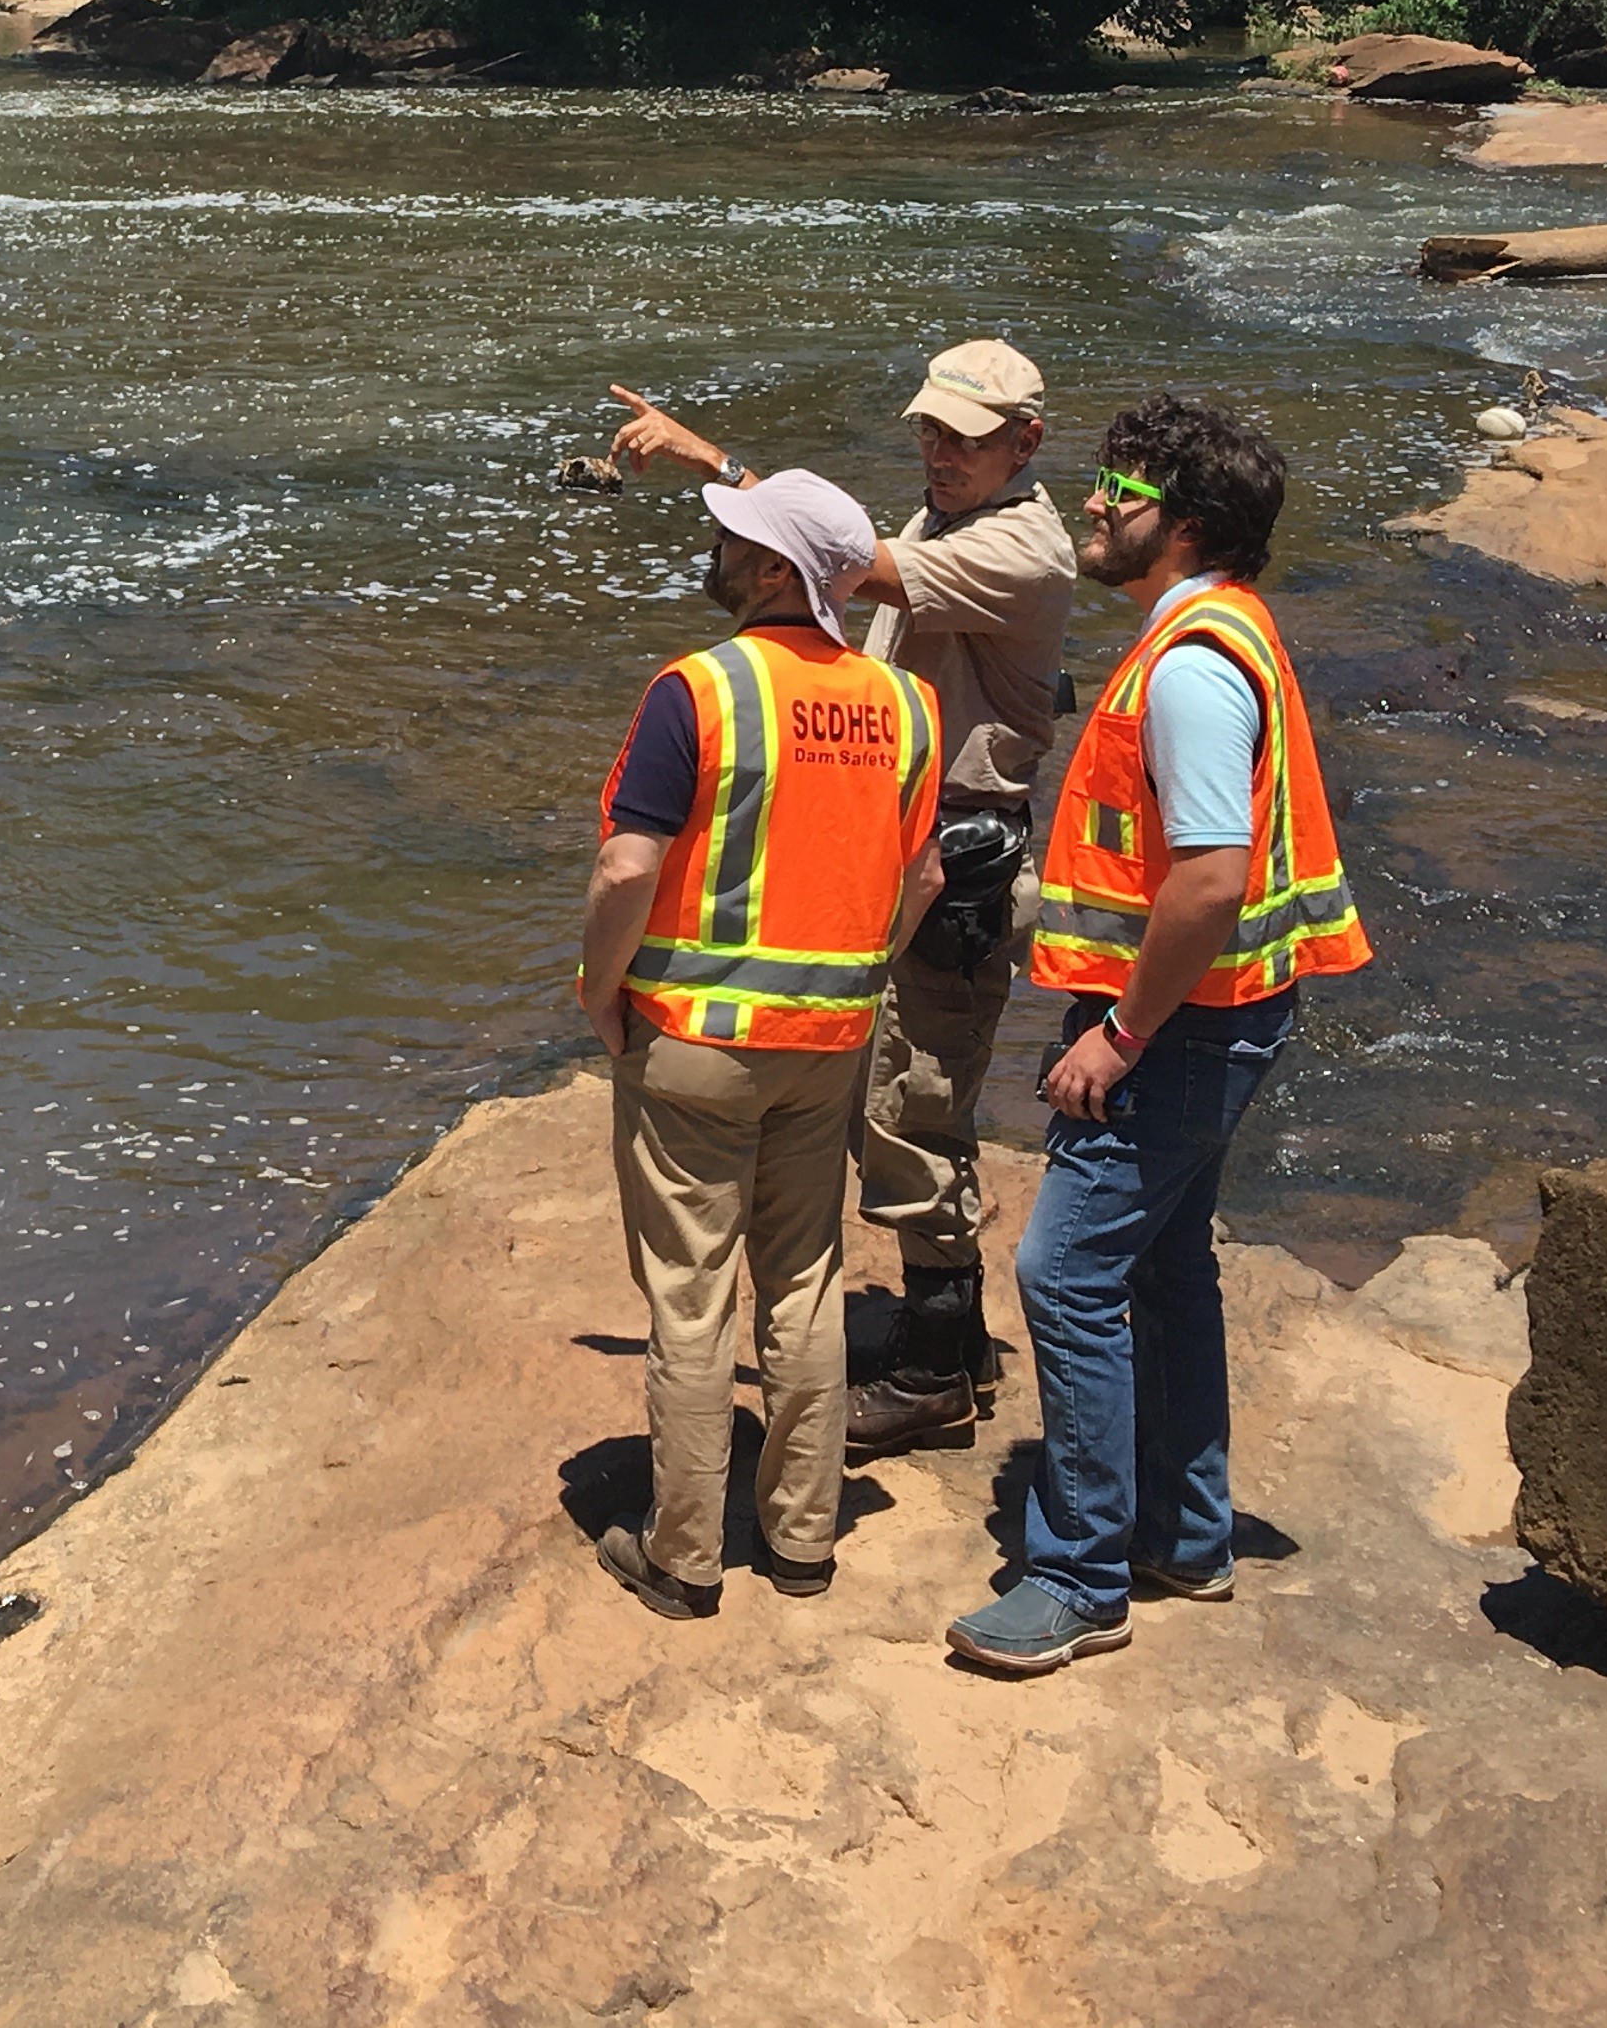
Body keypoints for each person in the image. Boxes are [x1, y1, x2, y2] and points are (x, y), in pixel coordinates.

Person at [942, 392, 1372, 1680]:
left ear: (1178, 525)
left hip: (1178, 1027)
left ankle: (1079, 1576)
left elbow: (1208, 879)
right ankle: (1184, 1535)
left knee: (1065, 1275)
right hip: (1223, 1017)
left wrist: (1117, 1038)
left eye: (1117, 492)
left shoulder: (1187, 670)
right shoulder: (1218, 631)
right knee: (1167, 1266)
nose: (1088, 503)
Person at [606, 345, 1077, 1453]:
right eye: (930, 428)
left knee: (912, 1101)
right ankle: (948, 1347)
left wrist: (714, 461)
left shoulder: (1021, 543)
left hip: (954, 861)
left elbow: (840, 569)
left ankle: (932, 1371)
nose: (940, 450)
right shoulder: (946, 521)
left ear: (1024, 443)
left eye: (966, 437)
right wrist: (719, 465)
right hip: (910, 842)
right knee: (890, 1089)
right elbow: (831, 552)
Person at [575, 470, 946, 1620]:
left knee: (691, 1299)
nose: (716, 546)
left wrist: (601, 990)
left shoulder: (700, 691)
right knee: (807, 1278)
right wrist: (857, 977)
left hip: (691, 1042)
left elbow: (628, 867)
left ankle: (685, 1559)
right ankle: (801, 1543)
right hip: (826, 1041)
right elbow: (921, 877)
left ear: (778, 573)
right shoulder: (907, 704)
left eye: (735, 538)